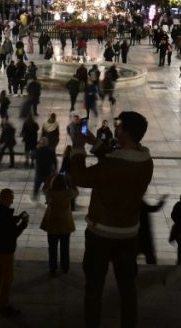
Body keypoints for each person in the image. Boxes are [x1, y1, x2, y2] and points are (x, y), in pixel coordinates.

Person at [70, 111, 154, 328]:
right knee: (127, 289)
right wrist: (95, 142)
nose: (115, 128)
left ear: (124, 132)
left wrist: (78, 147)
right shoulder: (146, 160)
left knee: (94, 289)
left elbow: (80, 177)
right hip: (129, 233)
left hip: (101, 234)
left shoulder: (113, 165)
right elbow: (117, 158)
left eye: (118, 125)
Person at [0, 188, 29, 317]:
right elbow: (13, 233)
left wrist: (16, 218)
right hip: (6, 249)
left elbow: (5, 222)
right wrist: (23, 224)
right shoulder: (5, 214)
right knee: (8, 277)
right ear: (5, 198)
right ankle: (4, 304)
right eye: (11, 198)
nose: (12, 201)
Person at [40, 173, 78, 276]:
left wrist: (49, 178)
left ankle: (52, 267)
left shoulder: (50, 193)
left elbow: (44, 189)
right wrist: (70, 181)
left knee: (52, 247)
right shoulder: (68, 193)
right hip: (65, 225)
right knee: (65, 247)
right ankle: (65, 267)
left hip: (52, 224)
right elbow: (76, 192)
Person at [137, 196, 166, 265]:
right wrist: (161, 202)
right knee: (149, 252)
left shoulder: (134, 202)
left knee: (136, 250)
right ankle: (152, 266)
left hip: (136, 232)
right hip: (144, 232)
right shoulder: (139, 202)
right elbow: (153, 209)